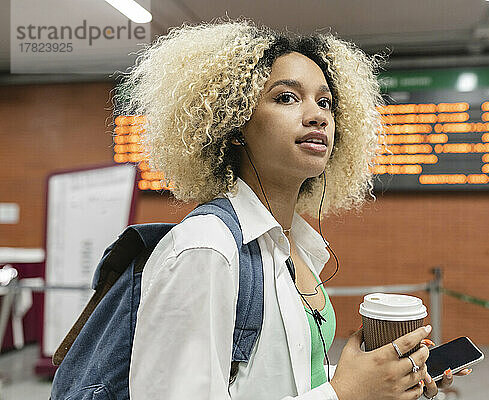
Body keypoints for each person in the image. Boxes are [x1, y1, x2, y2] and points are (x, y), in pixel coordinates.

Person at [117, 19, 470, 400]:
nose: (318, 115)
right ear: (233, 121)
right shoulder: (206, 249)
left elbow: (283, 375)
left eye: (325, 102)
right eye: (286, 97)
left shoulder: (295, 243)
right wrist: (343, 394)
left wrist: (383, 377)